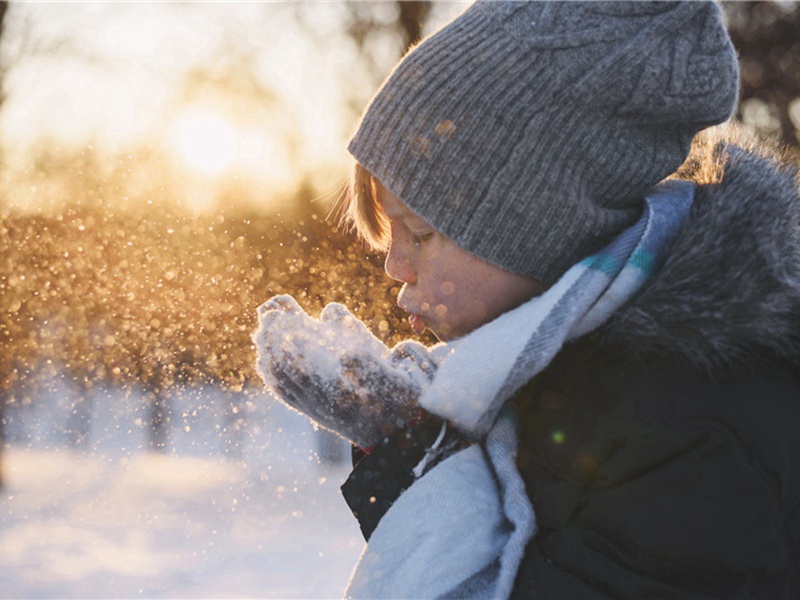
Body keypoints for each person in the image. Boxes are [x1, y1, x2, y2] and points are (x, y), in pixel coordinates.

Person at [254, 1, 800, 597]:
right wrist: (407, 429)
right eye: (389, 235)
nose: (394, 264)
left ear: (538, 229)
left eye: (422, 233)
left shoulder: (689, 418)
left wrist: (417, 465)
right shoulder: (550, 371)